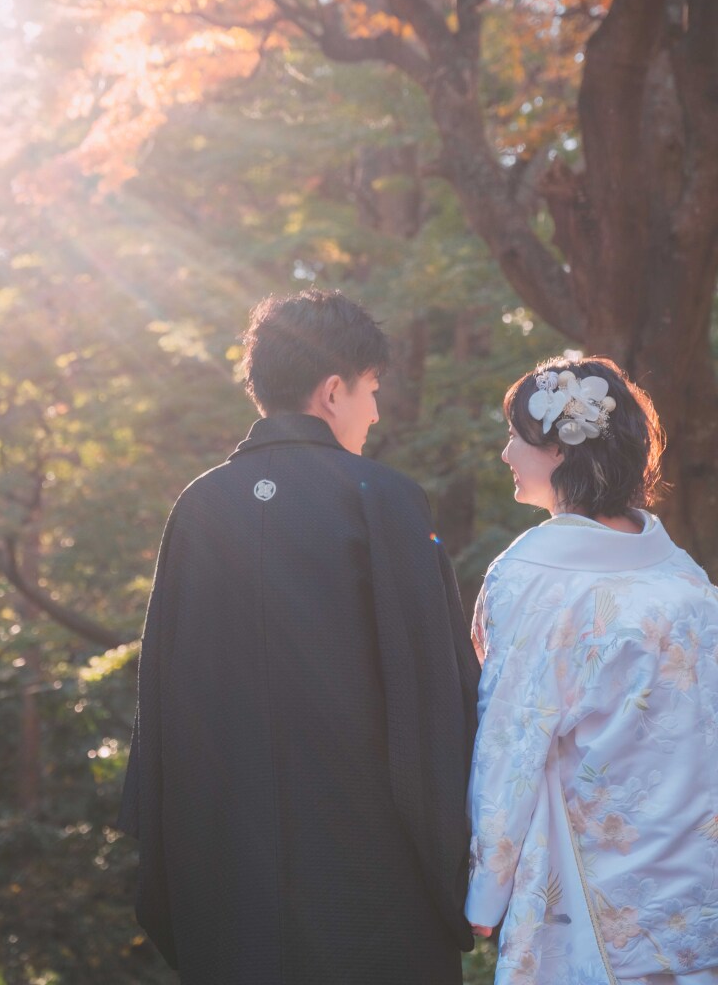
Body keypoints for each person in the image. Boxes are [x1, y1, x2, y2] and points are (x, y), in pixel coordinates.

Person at [118, 288, 480, 985]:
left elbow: (162, 705)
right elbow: (436, 693)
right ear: (334, 390)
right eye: (372, 389)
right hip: (370, 880)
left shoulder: (199, 506)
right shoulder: (383, 498)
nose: (375, 411)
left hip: (227, 876)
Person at [465, 355, 718, 985]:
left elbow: (511, 740)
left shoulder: (532, 579)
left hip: (588, 874)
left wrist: (484, 890)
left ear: (557, 449)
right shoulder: (685, 576)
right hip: (697, 873)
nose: (506, 454)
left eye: (516, 437)